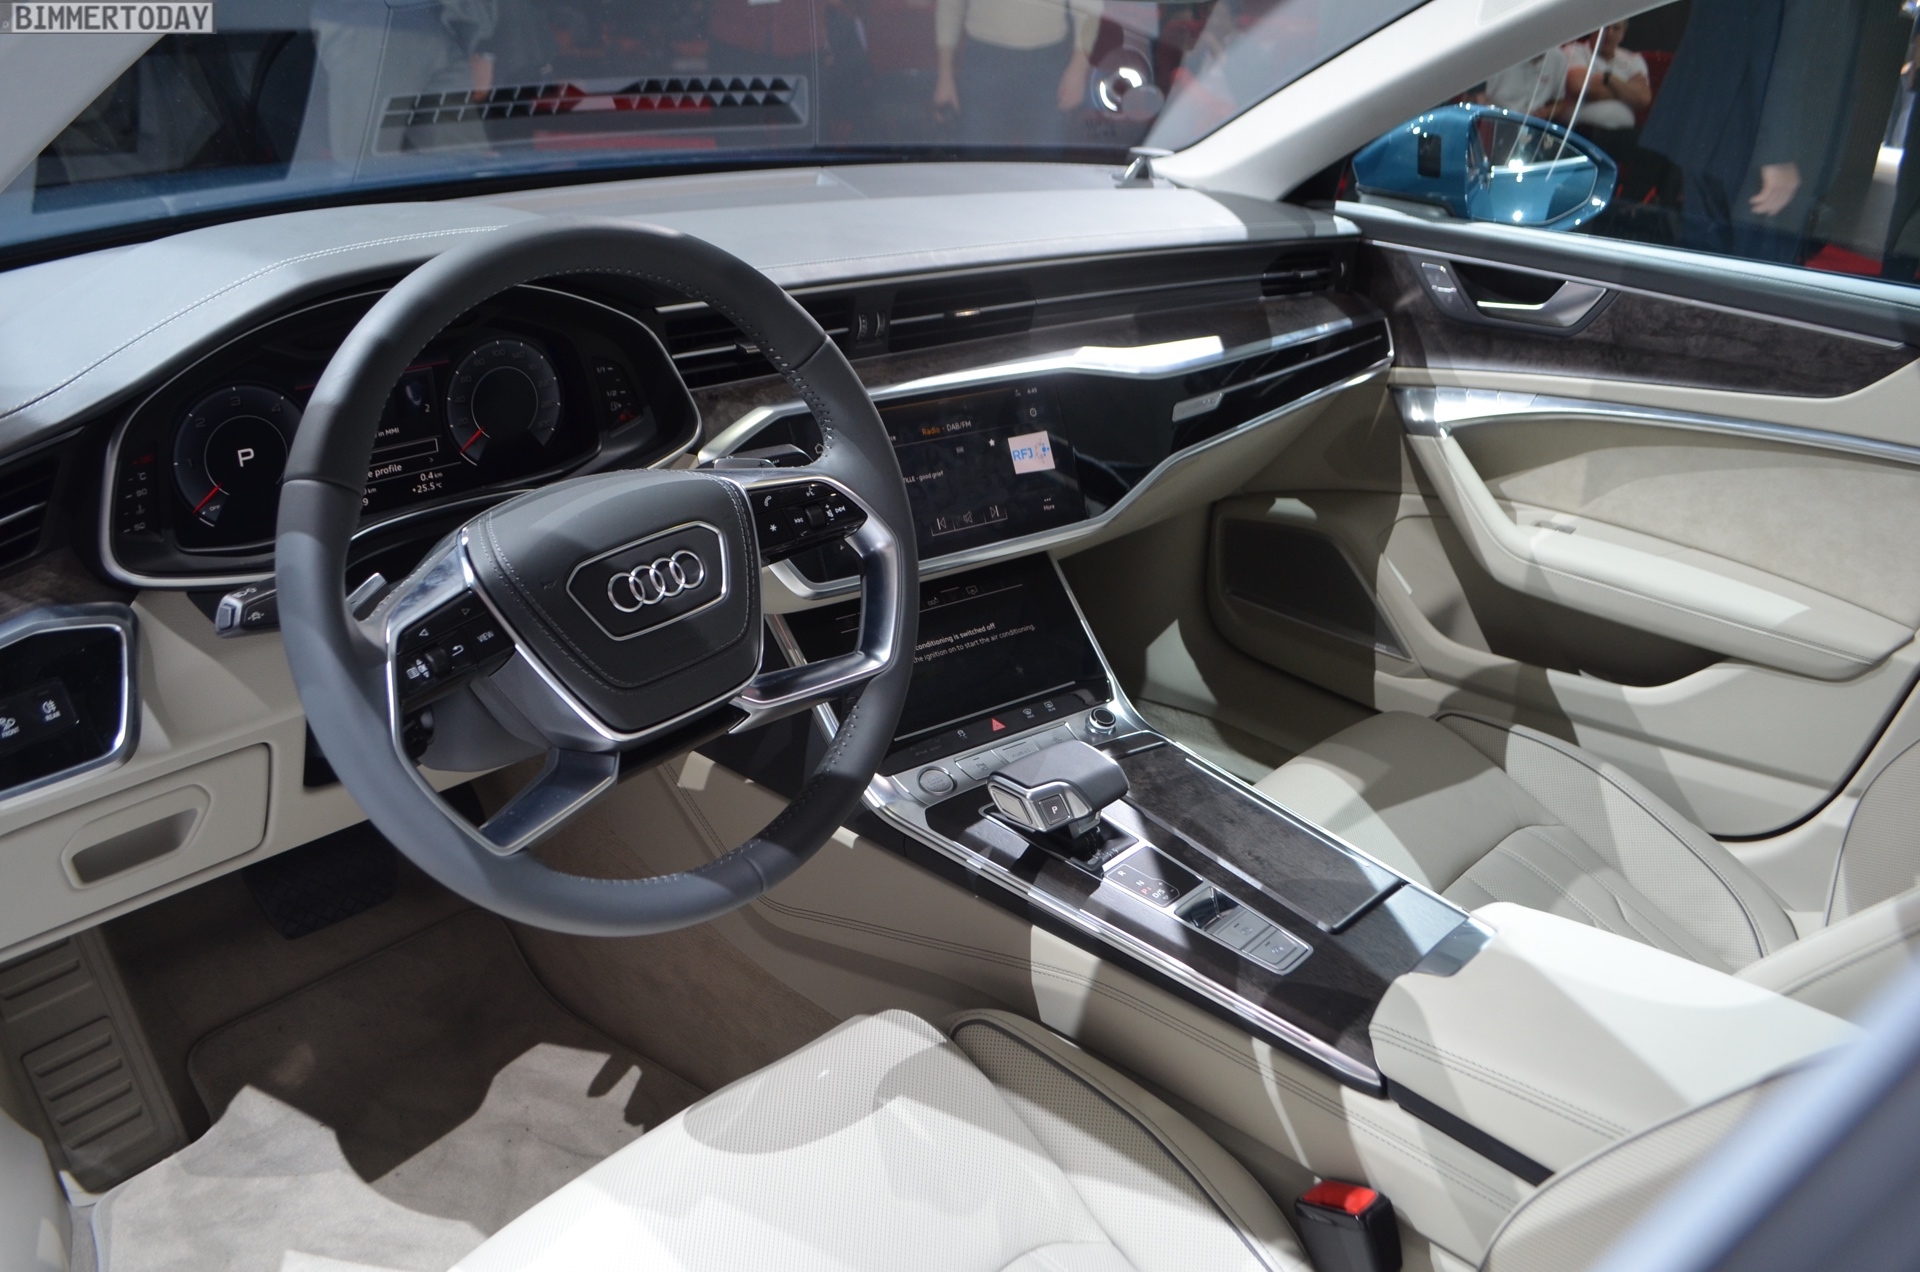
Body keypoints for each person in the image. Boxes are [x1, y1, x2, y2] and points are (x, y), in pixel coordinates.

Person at [1640, 0, 1868, 264]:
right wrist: (1779, 152)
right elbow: (1800, 40)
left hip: (1716, 120)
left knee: (1705, 263)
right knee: (1752, 270)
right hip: (1758, 137)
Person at [933, 0, 1104, 146]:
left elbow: (1089, 6)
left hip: (1048, 67)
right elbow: (950, 5)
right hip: (983, 64)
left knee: (1047, 164)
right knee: (979, 163)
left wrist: (1078, 70)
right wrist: (944, 76)